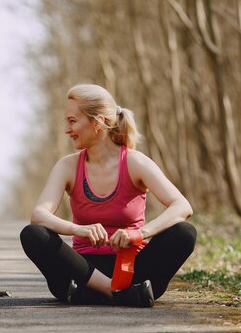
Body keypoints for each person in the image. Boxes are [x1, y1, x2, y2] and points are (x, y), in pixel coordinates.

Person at [19, 84, 196, 307]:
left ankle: (100, 294)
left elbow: (182, 206)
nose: (67, 129)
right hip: (82, 272)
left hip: (132, 269)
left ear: (97, 122)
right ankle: (117, 293)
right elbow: (39, 215)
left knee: (184, 233)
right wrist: (78, 229)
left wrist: (140, 234)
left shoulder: (134, 162)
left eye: (72, 121)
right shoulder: (68, 166)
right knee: (33, 234)